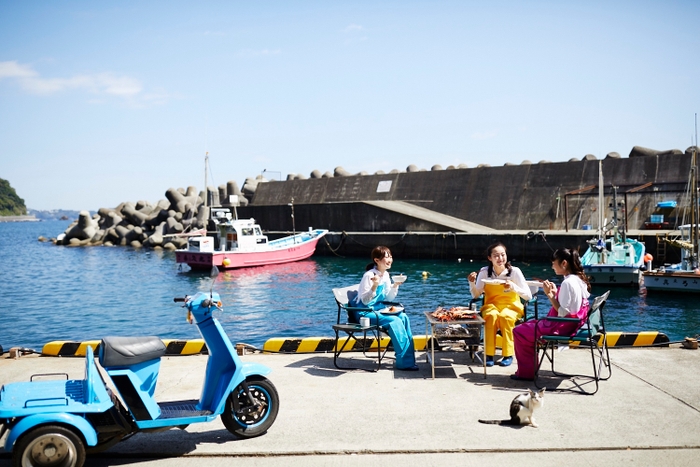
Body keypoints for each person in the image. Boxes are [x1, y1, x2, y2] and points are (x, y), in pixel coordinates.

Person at [511, 248, 591, 381]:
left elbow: (563, 312)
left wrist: (549, 296)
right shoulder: (577, 280)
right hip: (572, 325)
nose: (552, 266)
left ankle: (527, 373)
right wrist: (555, 293)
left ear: (564, 263)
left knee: (518, 332)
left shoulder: (567, 283)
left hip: (561, 328)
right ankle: (530, 368)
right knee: (527, 326)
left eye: (554, 263)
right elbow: (571, 307)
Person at [350, 245, 418, 371]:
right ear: (377, 260)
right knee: (395, 321)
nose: (390, 259)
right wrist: (374, 285)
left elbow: (389, 298)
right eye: (387, 257)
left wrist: (395, 285)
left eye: (390, 256)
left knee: (403, 317)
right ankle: (404, 363)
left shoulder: (386, 275)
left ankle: (409, 358)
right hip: (364, 312)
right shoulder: (369, 275)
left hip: (378, 309)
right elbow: (365, 301)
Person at [468, 242, 532, 367]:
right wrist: (472, 283)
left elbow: (528, 296)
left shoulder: (515, 272)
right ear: (489, 258)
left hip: (511, 306)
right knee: (491, 316)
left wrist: (513, 287)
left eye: (503, 255)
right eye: (496, 256)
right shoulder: (485, 272)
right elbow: (476, 295)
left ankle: (508, 354)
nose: (500, 258)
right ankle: (489, 354)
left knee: (505, 317)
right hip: (491, 305)